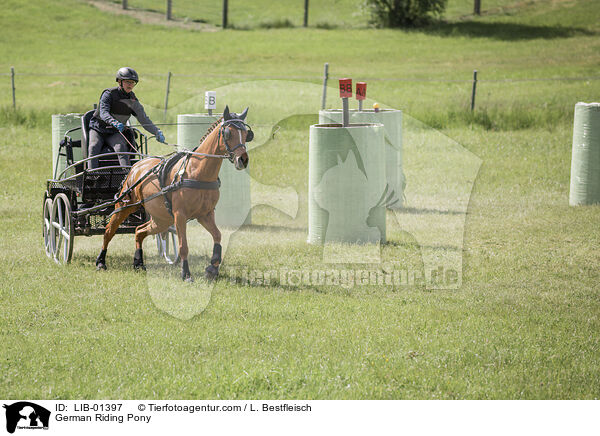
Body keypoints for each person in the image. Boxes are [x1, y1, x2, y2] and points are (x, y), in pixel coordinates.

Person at [88, 67, 166, 169]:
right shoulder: (108, 94)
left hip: (115, 132)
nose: (130, 85)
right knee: (94, 147)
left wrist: (156, 131)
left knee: (121, 148)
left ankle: (127, 176)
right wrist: (114, 122)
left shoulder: (133, 100)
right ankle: (92, 176)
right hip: (99, 129)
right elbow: (103, 113)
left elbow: (143, 119)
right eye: (128, 82)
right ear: (120, 82)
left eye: (133, 82)